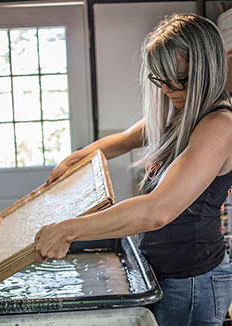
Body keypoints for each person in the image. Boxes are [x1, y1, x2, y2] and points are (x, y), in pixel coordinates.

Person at [34, 13, 232, 326]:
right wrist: (75, 160)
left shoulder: (219, 126)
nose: (166, 90)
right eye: (160, 80)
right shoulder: (178, 113)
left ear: (206, 70)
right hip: (166, 273)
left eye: (177, 79)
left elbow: (157, 211)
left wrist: (67, 229)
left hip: (192, 282)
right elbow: (124, 140)